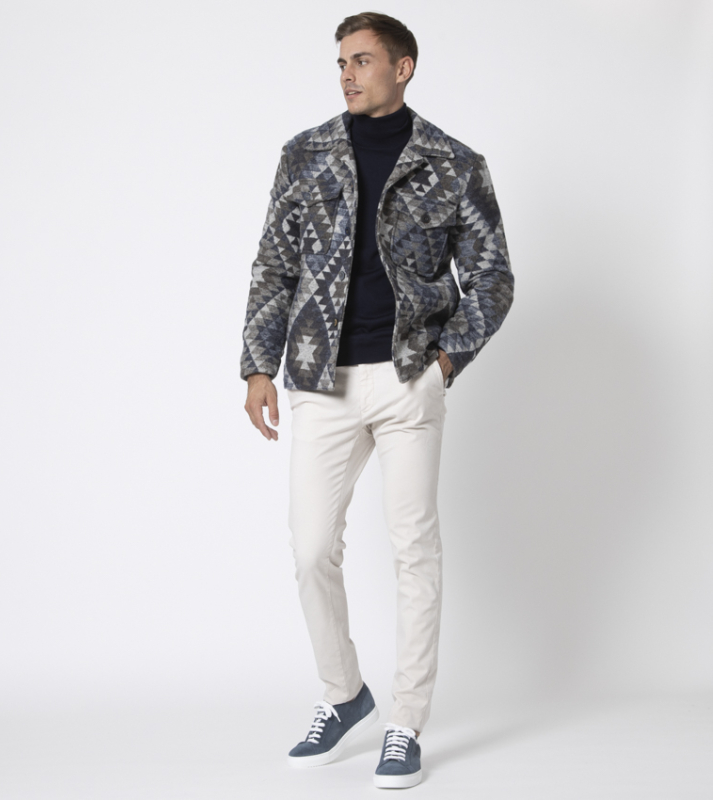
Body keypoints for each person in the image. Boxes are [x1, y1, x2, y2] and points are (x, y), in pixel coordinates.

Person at [240, 11, 513, 789]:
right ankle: (344, 693)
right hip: (320, 380)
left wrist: (445, 361)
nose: (347, 75)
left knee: (413, 549)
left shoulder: (454, 164)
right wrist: (258, 366)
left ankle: (406, 721)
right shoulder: (305, 155)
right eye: (341, 62)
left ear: (404, 67)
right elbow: (273, 266)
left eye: (361, 60)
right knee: (310, 549)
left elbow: (492, 276)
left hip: (406, 379)